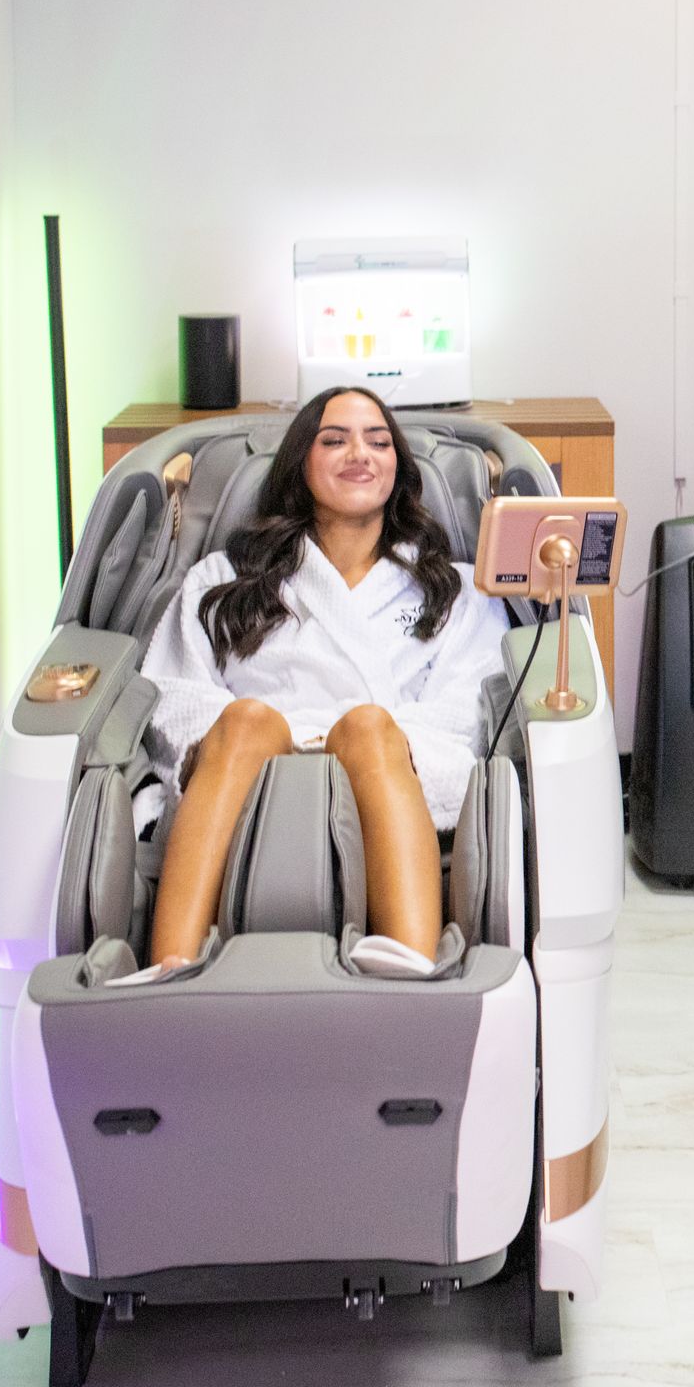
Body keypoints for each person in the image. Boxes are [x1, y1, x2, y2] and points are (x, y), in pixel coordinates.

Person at [140, 386, 511, 970]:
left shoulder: (454, 587)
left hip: (394, 766)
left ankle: (414, 968)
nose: (359, 453)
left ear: (398, 466)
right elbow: (174, 694)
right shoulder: (226, 577)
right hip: (247, 769)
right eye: (334, 440)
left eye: (379, 441)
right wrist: (288, 738)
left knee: (367, 727)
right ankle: (169, 971)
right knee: (245, 719)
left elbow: (470, 707)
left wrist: (360, 738)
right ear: (300, 464)